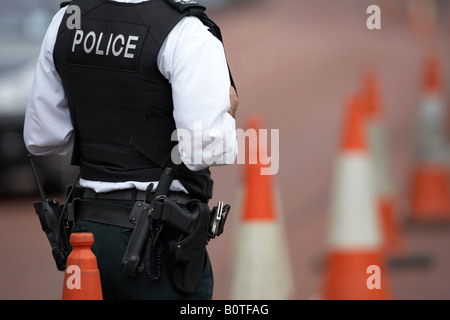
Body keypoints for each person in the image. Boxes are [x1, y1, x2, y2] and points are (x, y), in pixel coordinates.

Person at [24, 0, 238, 300]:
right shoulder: (187, 30)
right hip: (157, 245)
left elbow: (43, 137)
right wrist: (228, 112)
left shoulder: (66, 20)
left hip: (87, 236)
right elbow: (205, 150)